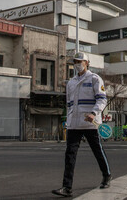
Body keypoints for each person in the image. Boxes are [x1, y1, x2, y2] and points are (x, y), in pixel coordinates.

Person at [52, 53, 111, 197]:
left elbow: (102, 99)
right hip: (74, 124)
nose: (77, 64)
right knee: (70, 155)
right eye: (76, 62)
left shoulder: (94, 79)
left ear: (87, 63)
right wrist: (68, 119)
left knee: (97, 151)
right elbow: (69, 104)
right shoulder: (71, 82)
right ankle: (67, 187)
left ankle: (106, 175)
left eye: (80, 61)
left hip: (89, 122)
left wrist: (94, 113)